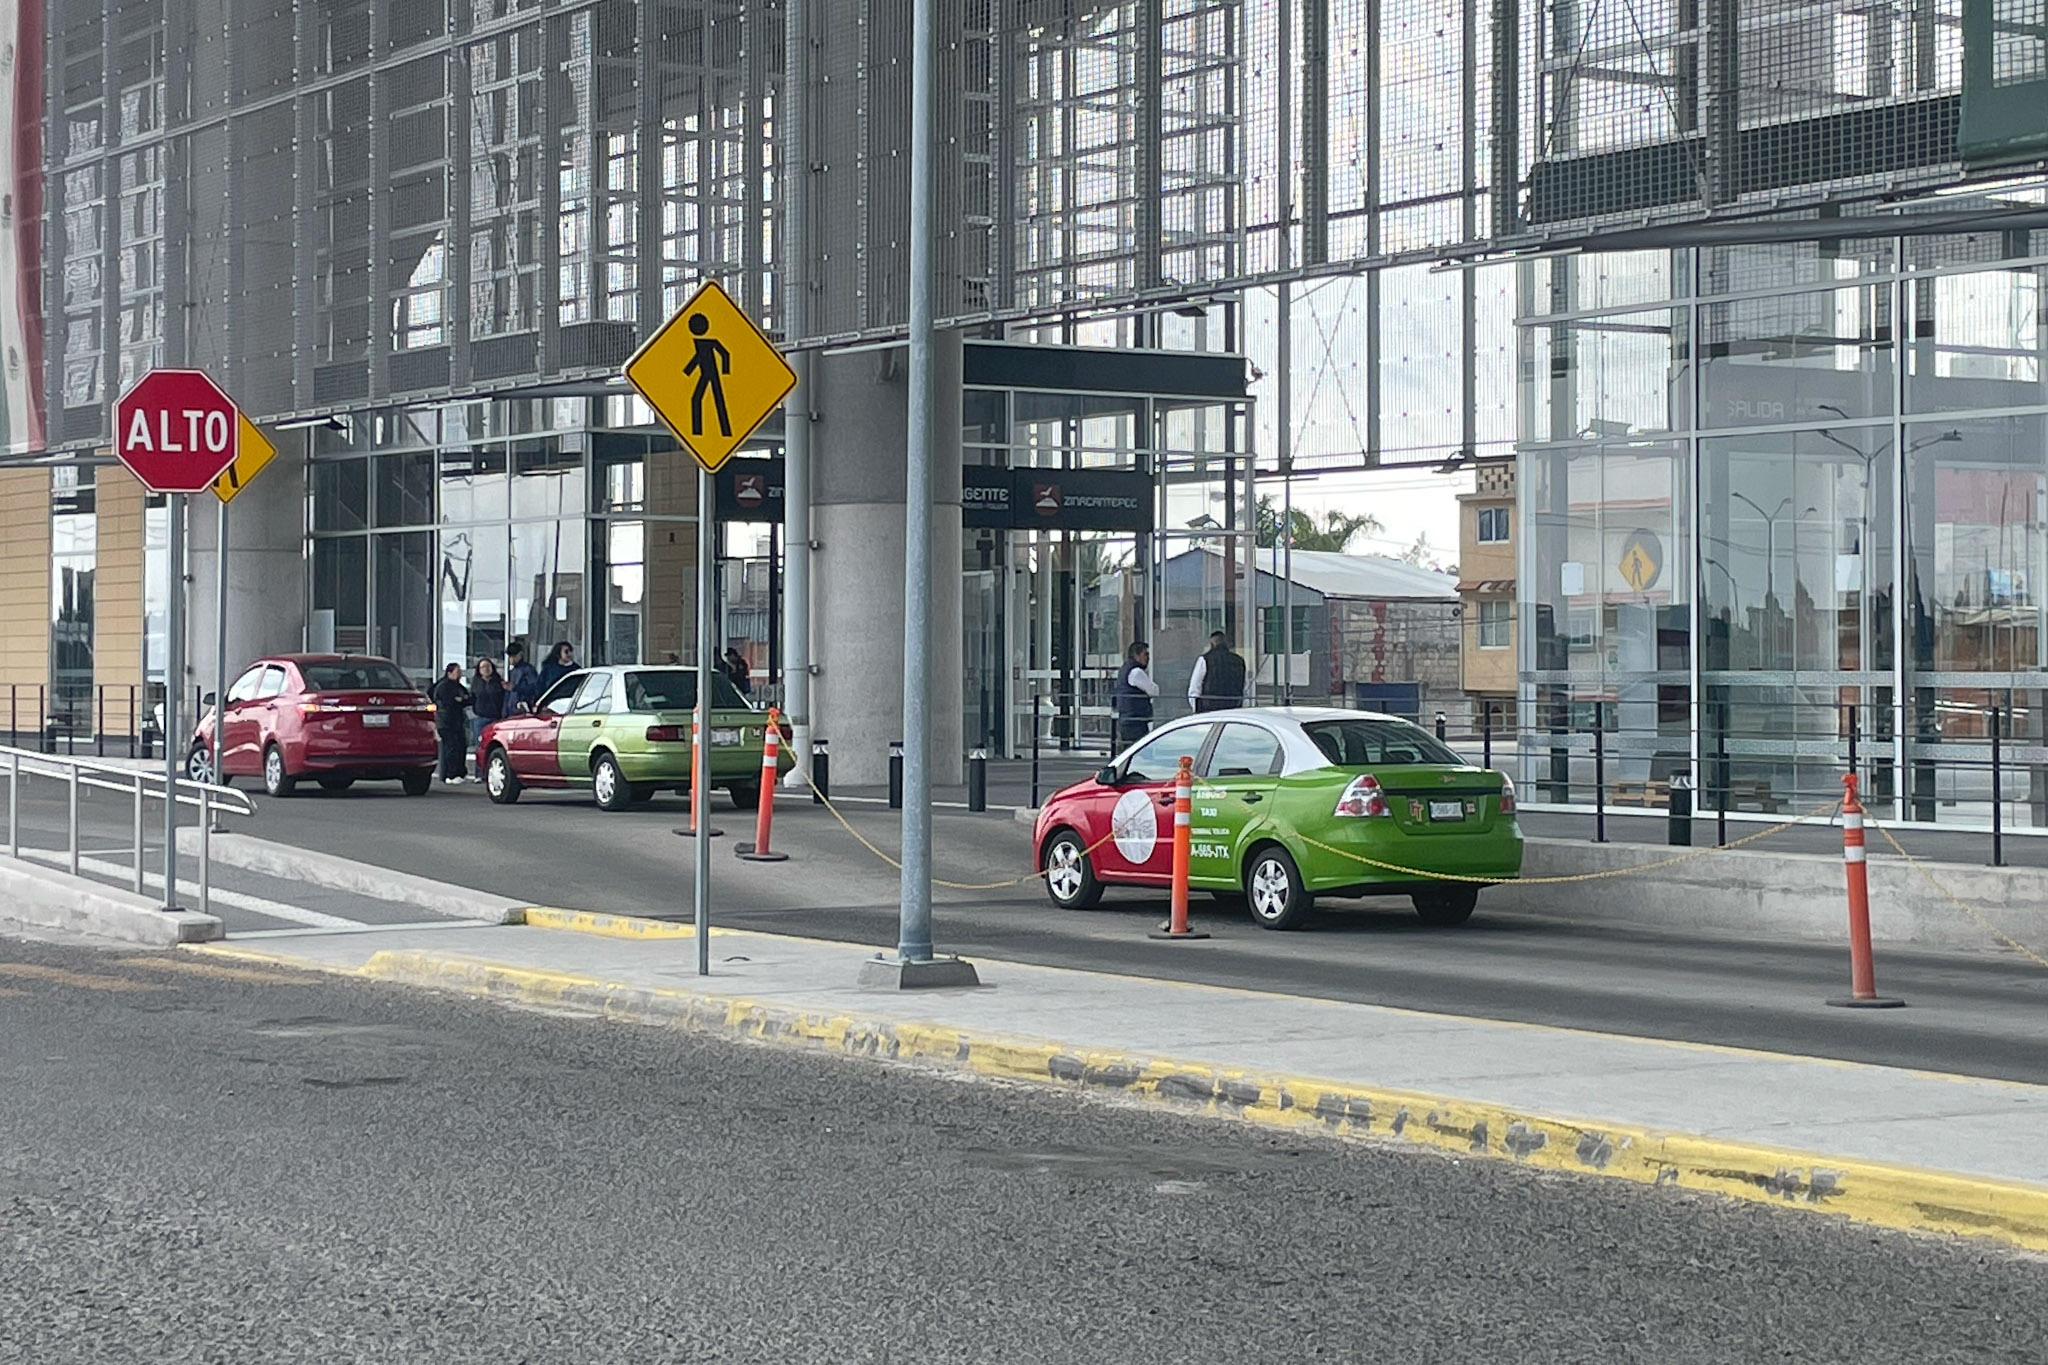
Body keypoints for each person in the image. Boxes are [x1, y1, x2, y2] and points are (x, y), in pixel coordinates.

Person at [1111, 640, 1159, 748]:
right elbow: (1154, 691)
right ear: (1137, 656)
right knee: (1141, 750)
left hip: (1127, 719)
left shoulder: (1124, 669)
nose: (1148, 658)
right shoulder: (1136, 672)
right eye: (1145, 654)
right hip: (1136, 721)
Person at [1188, 630, 1249, 713]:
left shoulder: (1205, 659)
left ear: (1211, 644)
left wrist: (1196, 708)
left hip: (1209, 709)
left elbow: (1195, 687)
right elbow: (1245, 687)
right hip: (1233, 708)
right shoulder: (1239, 661)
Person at [431, 663, 473, 785]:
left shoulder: (458, 686)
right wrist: (459, 701)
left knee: (460, 746)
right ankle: (451, 774)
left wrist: (462, 700)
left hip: (457, 722)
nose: (460, 674)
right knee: (451, 748)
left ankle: (459, 772)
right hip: (447, 722)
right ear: (449, 673)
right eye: (457, 672)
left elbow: (468, 699)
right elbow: (447, 702)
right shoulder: (443, 686)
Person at [469, 657, 508, 767]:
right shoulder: (476, 683)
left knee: (495, 745)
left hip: (496, 718)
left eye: (488, 666)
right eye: (482, 667)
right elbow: (472, 699)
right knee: (480, 746)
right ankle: (479, 772)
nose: (485, 669)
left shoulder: (498, 682)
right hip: (480, 718)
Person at [506, 641, 542, 714]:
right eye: (510, 656)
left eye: (514, 656)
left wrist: (516, 688)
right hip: (512, 710)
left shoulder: (528, 670)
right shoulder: (513, 671)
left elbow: (535, 689)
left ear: (520, 654)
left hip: (523, 709)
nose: (511, 659)